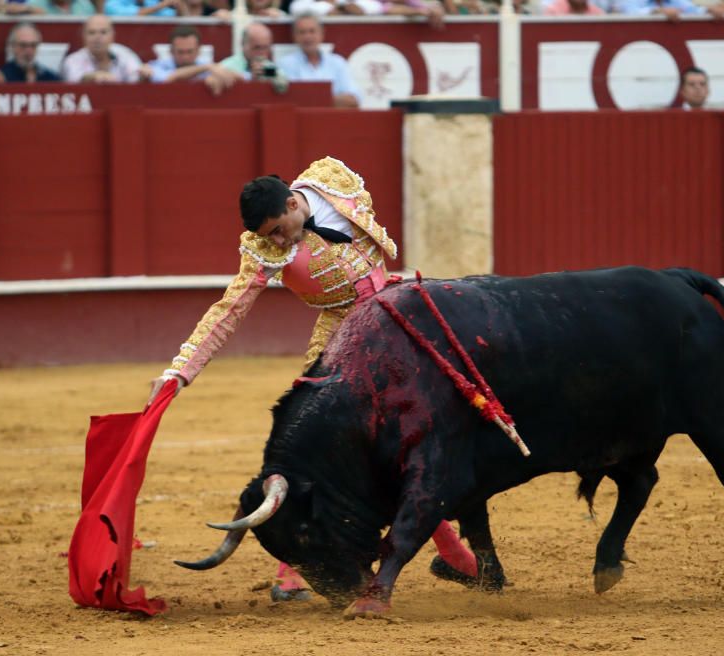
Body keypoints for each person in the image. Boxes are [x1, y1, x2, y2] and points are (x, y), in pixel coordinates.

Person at [148, 157, 480, 602]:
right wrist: (180, 370)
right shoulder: (264, 249)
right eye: (269, 237)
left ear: (293, 202)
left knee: (443, 418)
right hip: (342, 335)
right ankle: (295, 568)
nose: (279, 241)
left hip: (397, 313)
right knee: (324, 449)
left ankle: (457, 552)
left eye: (279, 230)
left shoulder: (332, 180)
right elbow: (228, 310)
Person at [278, 14, 362, 108]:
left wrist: (312, 100)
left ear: (322, 34)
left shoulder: (337, 62)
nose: (307, 36)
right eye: (302, 32)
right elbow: (286, 101)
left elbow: (353, 100)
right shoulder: (285, 64)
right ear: (294, 36)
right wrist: (331, 100)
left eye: (312, 31)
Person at [143, 25, 239, 95]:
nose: (185, 57)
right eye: (180, 52)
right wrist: (206, 69)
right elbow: (166, 79)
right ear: (171, 51)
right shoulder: (157, 66)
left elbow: (245, 77)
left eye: (189, 52)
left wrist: (220, 77)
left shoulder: (208, 67)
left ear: (198, 51)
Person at [61, 15, 144, 83]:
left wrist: (143, 76)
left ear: (112, 36)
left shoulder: (125, 54)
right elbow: (73, 79)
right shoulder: (73, 60)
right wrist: (93, 77)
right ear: (83, 36)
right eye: (92, 32)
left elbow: (136, 79)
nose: (97, 37)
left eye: (103, 32)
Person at [218, 21, 286, 92]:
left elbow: (284, 89)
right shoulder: (226, 66)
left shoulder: (272, 68)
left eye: (265, 47)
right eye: (257, 47)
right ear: (243, 44)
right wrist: (250, 79)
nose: (262, 53)